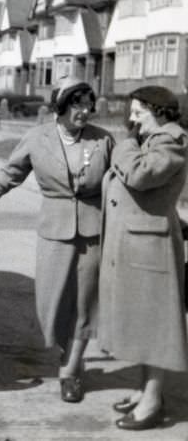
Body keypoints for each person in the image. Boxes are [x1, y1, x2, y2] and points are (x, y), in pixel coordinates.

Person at [0, 76, 114, 402]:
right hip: (54, 232)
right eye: (78, 104)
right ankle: (65, 352)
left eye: (88, 104)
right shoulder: (38, 139)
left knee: (85, 303)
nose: (86, 110)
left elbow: (126, 181)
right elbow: (9, 175)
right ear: (61, 106)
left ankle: (71, 369)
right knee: (53, 304)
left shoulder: (103, 140)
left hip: (94, 233)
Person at [98, 86, 188, 431]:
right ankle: (144, 390)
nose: (132, 119)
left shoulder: (171, 141)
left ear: (160, 112)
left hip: (151, 248)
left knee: (156, 327)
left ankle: (153, 402)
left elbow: (139, 175)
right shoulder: (153, 140)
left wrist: (124, 143)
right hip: (140, 244)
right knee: (143, 324)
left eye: (139, 112)